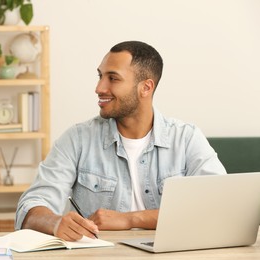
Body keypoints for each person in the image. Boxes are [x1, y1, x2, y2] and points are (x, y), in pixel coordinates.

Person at [15, 41, 226, 242]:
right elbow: (31, 206)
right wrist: (55, 223)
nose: (99, 88)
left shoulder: (186, 138)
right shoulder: (77, 139)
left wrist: (129, 219)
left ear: (146, 87)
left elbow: (220, 205)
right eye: (100, 76)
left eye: (112, 78)